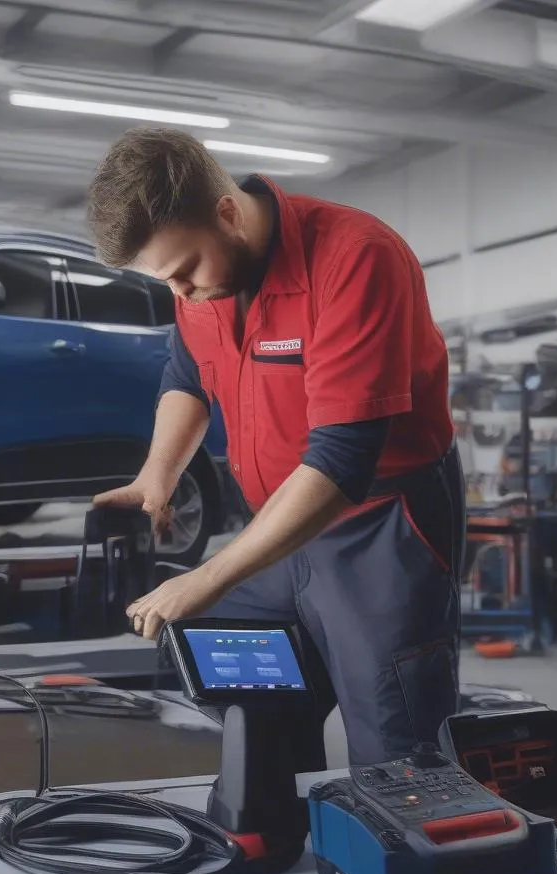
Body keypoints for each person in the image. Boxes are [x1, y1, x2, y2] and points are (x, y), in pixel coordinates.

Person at [86, 127, 464, 766]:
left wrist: (205, 577)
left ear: (227, 213)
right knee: (252, 707)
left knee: (398, 743)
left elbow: (343, 461)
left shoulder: (355, 258)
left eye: (182, 273)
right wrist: (157, 477)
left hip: (379, 529)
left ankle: (408, 851)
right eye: (163, 281)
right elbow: (188, 375)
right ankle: (273, 832)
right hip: (278, 529)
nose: (178, 294)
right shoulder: (205, 277)